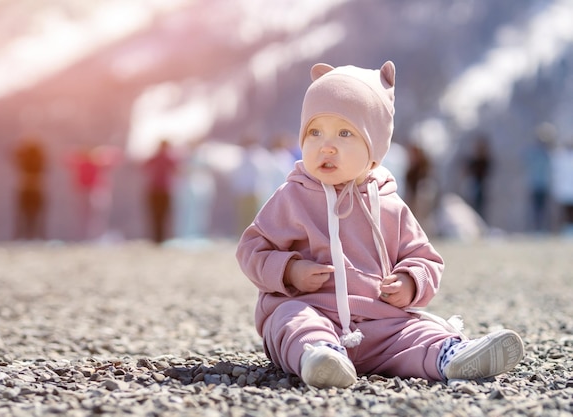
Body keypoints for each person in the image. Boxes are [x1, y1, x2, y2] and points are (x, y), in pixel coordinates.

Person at [236, 62, 524, 388]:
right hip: (311, 307)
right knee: (291, 321)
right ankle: (321, 357)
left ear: (375, 149)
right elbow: (251, 249)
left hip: (381, 322)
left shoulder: (390, 205)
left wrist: (409, 282)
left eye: (344, 133)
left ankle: (452, 355)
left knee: (418, 332)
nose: (326, 145)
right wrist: (290, 271)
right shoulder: (292, 196)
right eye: (315, 132)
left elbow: (424, 258)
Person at [144, 140, 179, 243]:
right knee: (164, 215)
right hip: (164, 190)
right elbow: (177, 170)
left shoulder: (154, 157)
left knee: (155, 215)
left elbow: (143, 167)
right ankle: (162, 238)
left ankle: (156, 238)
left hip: (153, 189)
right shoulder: (169, 158)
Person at [13, 137, 46, 240]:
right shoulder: (37, 158)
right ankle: (29, 236)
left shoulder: (33, 158)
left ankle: (28, 236)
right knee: (30, 215)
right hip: (32, 189)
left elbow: (14, 156)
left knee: (28, 215)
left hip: (29, 189)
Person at [464, 134, 492, 221]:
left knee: (480, 207)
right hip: (473, 186)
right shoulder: (474, 160)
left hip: (481, 186)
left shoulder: (484, 160)